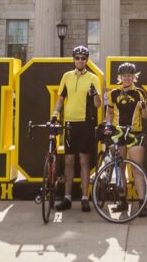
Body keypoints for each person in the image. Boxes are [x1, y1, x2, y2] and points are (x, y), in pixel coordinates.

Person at [51, 45, 102, 212]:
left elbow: (98, 104)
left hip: (87, 123)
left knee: (84, 161)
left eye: (83, 58)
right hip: (70, 123)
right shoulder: (66, 76)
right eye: (77, 57)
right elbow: (61, 98)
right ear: (74, 59)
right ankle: (67, 198)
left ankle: (85, 197)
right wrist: (55, 113)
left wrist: (95, 94)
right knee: (68, 161)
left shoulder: (94, 78)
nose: (80, 60)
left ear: (87, 60)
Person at [105, 62, 147, 218]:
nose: (127, 78)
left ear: (134, 77)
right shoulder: (113, 94)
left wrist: (144, 107)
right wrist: (107, 126)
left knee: (137, 169)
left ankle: (142, 203)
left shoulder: (140, 93)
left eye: (129, 76)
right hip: (118, 133)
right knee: (120, 169)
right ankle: (123, 201)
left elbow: (146, 116)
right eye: (124, 76)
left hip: (135, 134)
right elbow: (110, 113)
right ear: (120, 77)